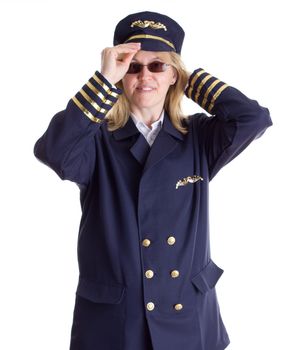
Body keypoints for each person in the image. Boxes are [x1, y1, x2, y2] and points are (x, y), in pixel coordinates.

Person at [34, 10, 272, 350]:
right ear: (120, 76)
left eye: (157, 65)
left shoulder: (199, 137)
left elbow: (254, 119)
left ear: (174, 73)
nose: (144, 75)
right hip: (116, 323)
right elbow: (52, 152)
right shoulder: (96, 141)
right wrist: (102, 80)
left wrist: (193, 82)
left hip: (187, 318)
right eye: (133, 67)